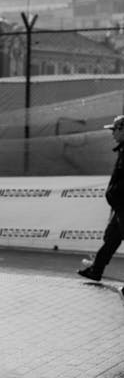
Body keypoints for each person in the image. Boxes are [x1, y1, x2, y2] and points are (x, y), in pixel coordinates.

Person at [78, 115, 124, 282]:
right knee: (111, 238)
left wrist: (114, 194)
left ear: (122, 129)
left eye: (115, 130)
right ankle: (96, 270)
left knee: (112, 239)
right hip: (120, 206)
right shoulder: (122, 149)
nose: (112, 134)